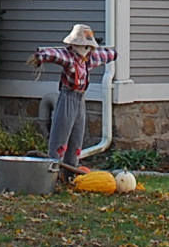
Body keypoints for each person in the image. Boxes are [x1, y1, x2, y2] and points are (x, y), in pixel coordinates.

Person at [32, 24, 117, 179]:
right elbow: (55, 54)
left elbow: (105, 55)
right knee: (61, 136)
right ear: (73, 44)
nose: (85, 48)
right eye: (82, 45)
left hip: (81, 99)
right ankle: (53, 175)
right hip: (67, 97)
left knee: (77, 137)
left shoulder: (89, 59)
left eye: (88, 46)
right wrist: (41, 56)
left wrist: (114, 53)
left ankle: (70, 174)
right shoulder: (69, 57)